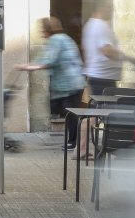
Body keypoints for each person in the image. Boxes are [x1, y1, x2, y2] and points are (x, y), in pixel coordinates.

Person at [16, 17, 85, 150]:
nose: (41, 33)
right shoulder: (64, 38)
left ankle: (74, 142)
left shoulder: (56, 40)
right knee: (68, 112)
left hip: (69, 84)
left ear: (48, 30)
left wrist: (28, 67)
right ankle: (74, 141)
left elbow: (48, 60)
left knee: (70, 114)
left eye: (42, 30)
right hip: (73, 82)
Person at [82, 0, 135, 96]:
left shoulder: (90, 24)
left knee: (100, 108)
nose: (112, 10)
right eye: (109, 7)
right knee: (106, 108)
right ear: (100, 8)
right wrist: (130, 59)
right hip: (104, 79)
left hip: (98, 77)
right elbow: (108, 52)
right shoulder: (100, 26)